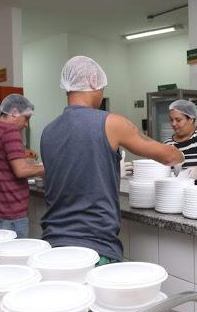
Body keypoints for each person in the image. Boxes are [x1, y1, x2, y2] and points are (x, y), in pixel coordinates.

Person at [40, 56, 184, 264]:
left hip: (53, 246)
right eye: (102, 87)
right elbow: (167, 155)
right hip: (95, 248)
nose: (102, 93)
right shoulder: (110, 122)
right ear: (91, 80)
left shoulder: (49, 131)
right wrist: (180, 156)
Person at [0, 94, 44, 238]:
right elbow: (21, 171)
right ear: (14, 112)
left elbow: (2, 165)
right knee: (16, 258)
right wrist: (50, 167)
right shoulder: (10, 132)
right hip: (10, 211)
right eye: (26, 118)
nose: (26, 124)